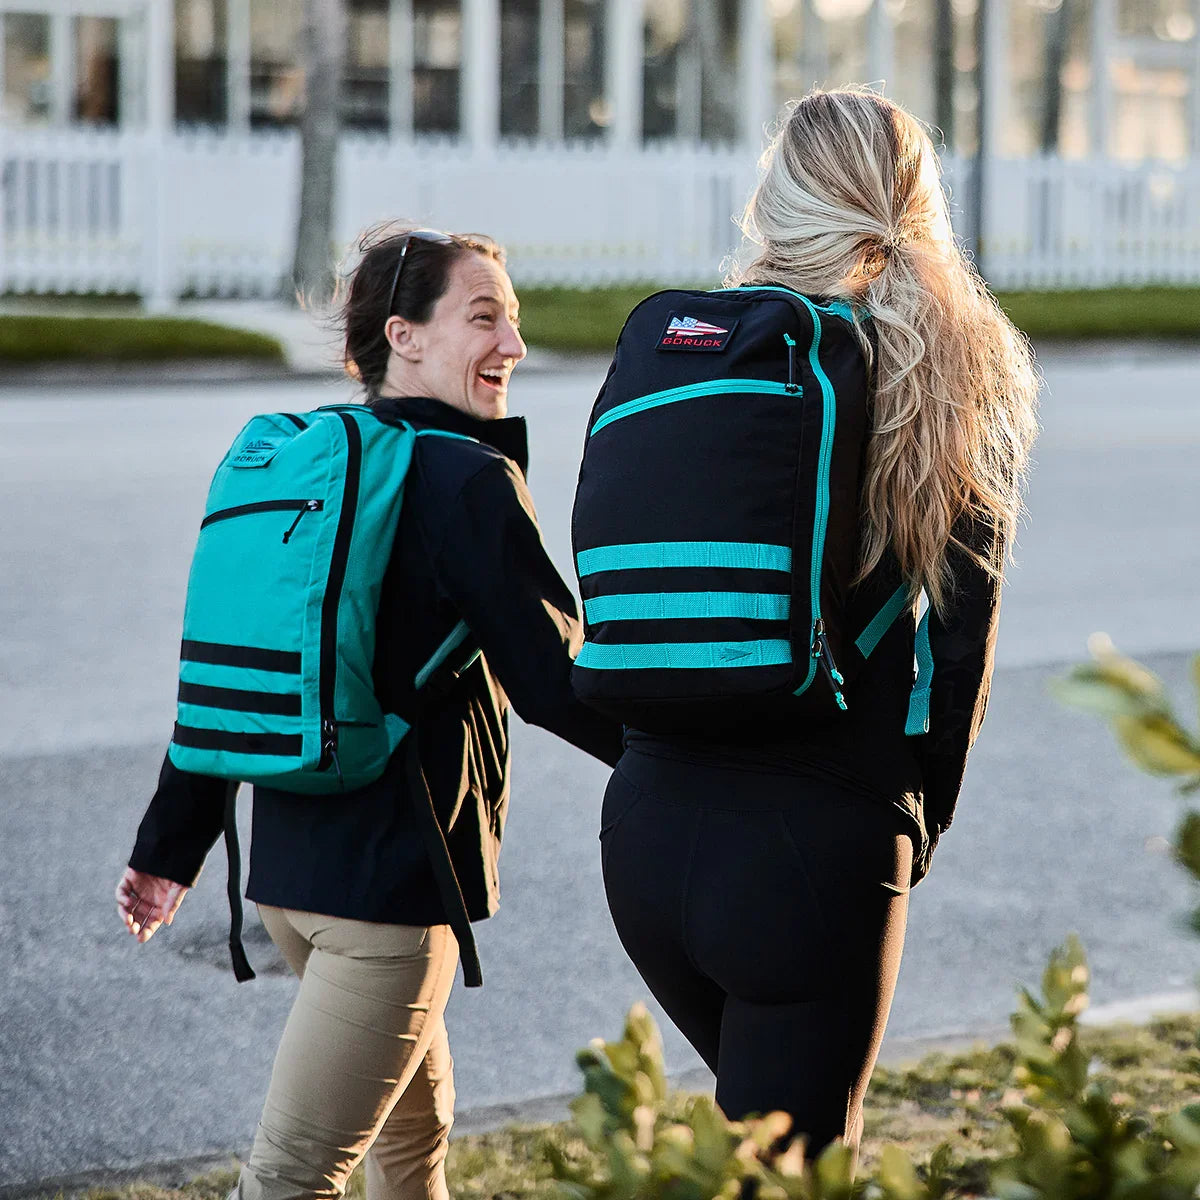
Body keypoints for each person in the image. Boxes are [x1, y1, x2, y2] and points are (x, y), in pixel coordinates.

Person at [115, 224, 623, 1200]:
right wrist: (705, 765)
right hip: (388, 906)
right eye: (484, 319)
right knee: (288, 1180)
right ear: (405, 335)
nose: (512, 347)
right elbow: (560, 679)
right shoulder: (466, 482)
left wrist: (166, 850)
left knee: (410, 1158)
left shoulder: (308, 465)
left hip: (292, 883)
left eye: (511, 323)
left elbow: (239, 666)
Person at [593, 90, 1040, 1162]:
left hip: (645, 829)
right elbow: (957, 648)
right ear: (915, 200)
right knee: (792, 1172)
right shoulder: (948, 375)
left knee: (757, 1153)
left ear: (777, 196)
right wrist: (914, 822)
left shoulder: (705, 354)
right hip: (811, 850)